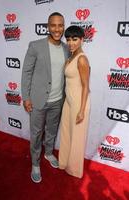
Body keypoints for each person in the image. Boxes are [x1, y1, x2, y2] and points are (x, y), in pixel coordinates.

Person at [21, 12, 69, 183]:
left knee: (51, 130)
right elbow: (26, 72)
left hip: (57, 101)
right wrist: (26, 97)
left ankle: (48, 153)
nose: (57, 29)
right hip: (38, 100)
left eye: (60, 25)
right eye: (53, 25)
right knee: (36, 133)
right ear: (48, 27)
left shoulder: (66, 48)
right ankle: (35, 163)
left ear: (63, 26)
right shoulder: (35, 46)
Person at [59, 25, 90, 178]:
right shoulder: (70, 57)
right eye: (69, 39)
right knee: (66, 133)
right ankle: (64, 162)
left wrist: (82, 110)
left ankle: (74, 169)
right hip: (68, 101)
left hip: (79, 103)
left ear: (82, 40)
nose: (71, 43)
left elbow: (86, 87)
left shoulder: (82, 59)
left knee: (77, 137)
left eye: (75, 39)